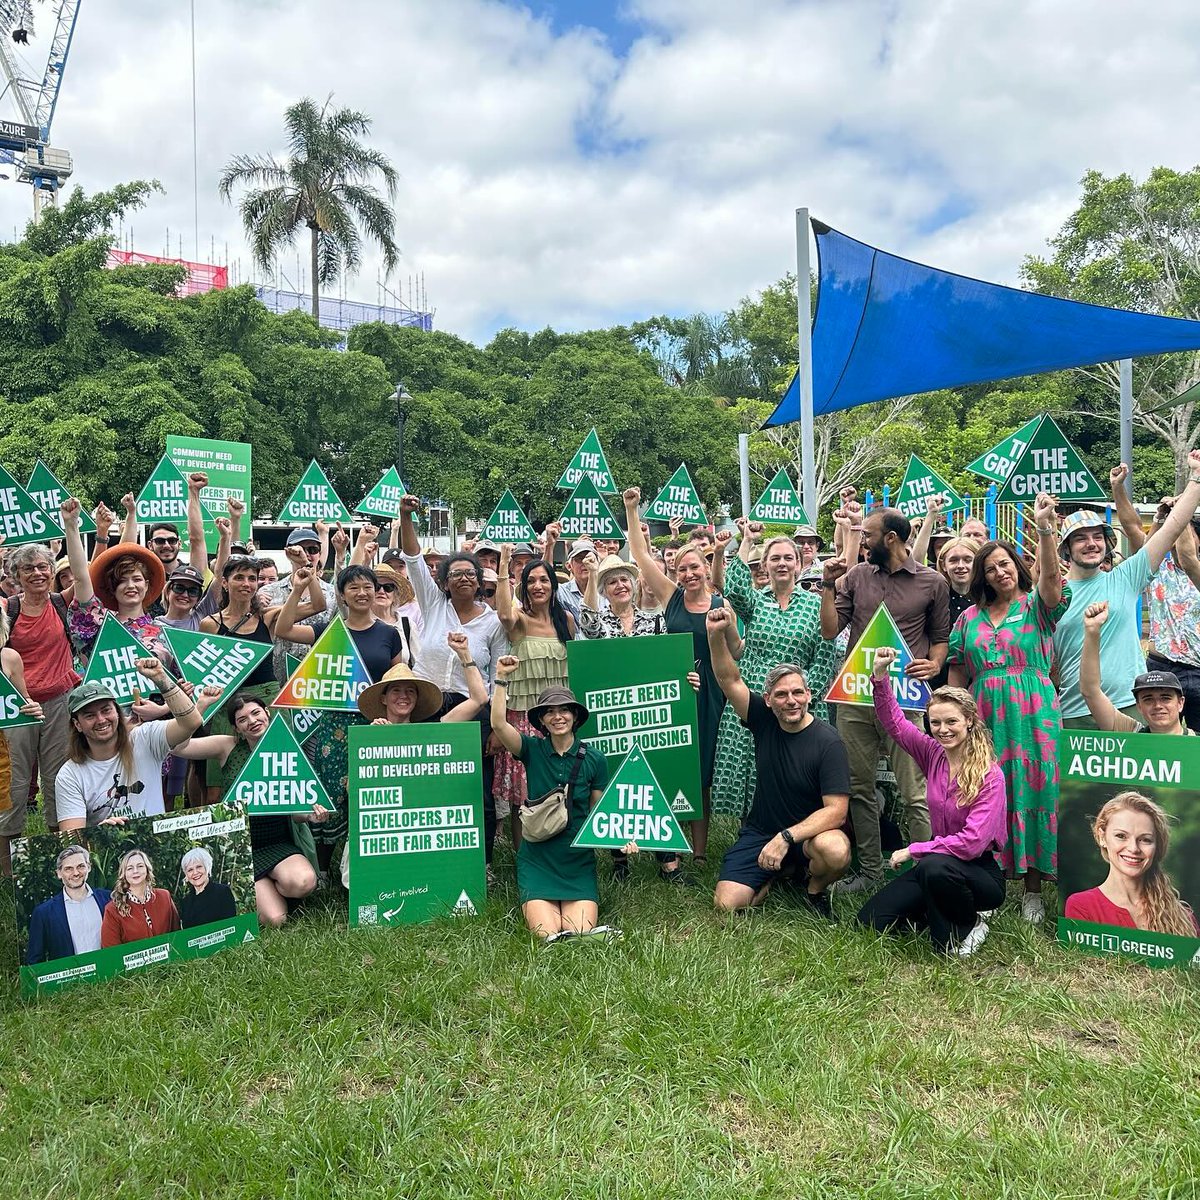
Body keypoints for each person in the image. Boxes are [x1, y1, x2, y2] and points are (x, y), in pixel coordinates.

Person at [947, 494, 1066, 923]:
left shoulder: (1037, 608)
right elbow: (958, 672)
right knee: (987, 794)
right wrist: (952, 718)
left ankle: (1032, 890)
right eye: (991, 567)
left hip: (1034, 715)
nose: (1000, 571)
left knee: (1033, 791)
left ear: (1017, 565)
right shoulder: (969, 619)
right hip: (984, 715)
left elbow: (1052, 583)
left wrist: (1044, 528)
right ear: (982, 575)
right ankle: (990, 884)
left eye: (1005, 563)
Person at [820, 507, 948, 893]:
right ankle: (871, 873)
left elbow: (940, 636)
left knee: (915, 792)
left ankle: (924, 871)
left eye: (869, 535)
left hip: (905, 700)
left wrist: (935, 663)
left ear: (891, 538)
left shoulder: (932, 582)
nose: (863, 541)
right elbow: (830, 630)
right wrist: (829, 585)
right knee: (859, 789)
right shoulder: (857, 576)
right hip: (856, 696)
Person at [856, 646, 1007, 956]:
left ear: (968, 721)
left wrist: (915, 849)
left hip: (978, 874)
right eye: (935, 722)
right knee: (871, 921)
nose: (942, 730)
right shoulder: (933, 754)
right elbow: (895, 725)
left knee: (934, 873)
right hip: (936, 864)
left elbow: (972, 843)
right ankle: (933, 908)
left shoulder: (991, 776)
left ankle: (971, 923)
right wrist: (881, 676)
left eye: (950, 721)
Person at [705, 607, 851, 916]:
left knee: (836, 851)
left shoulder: (829, 742)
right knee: (726, 904)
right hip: (761, 831)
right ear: (769, 699)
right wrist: (715, 633)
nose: (791, 700)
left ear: (809, 695)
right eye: (782, 694)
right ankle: (777, 874)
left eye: (798, 692)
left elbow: (837, 812)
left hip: (809, 836)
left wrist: (786, 838)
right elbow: (728, 678)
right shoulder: (764, 719)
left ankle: (813, 891)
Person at [624, 488, 735, 867]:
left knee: (700, 773)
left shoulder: (722, 604)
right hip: (675, 693)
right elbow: (640, 555)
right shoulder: (671, 597)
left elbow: (737, 652)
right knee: (672, 767)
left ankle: (700, 852)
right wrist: (631, 508)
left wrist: (724, 630)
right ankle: (670, 845)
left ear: (706, 568)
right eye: (681, 569)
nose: (687, 574)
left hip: (711, 695)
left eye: (694, 568)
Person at [274, 564, 410, 865]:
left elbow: (398, 681)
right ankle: (322, 869)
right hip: (334, 728)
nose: (362, 593)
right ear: (342, 595)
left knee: (370, 797)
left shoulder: (389, 634)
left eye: (368, 587)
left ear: (376, 591)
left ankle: (367, 865)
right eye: (353, 587)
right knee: (331, 796)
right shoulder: (329, 630)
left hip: (375, 724)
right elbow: (282, 630)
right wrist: (297, 589)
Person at [1053, 453, 1200, 729]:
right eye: (1081, 538)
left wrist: (1196, 478)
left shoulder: (1124, 578)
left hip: (1130, 707)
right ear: (1065, 550)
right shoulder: (1054, 595)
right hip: (1073, 711)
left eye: (1098, 537)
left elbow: (1173, 527)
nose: (1091, 543)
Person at [490, 657, 626, 944]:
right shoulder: (531, 750)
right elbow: (498, 724)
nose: (558, 716)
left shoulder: (595, 759)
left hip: (577, 861)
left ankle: (586, 935)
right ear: (541, 720)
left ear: (575, 716)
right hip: (537, 858)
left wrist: (623, 840)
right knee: (547, 935)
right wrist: (501, 678)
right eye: (549, 712)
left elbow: (600, 813)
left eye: (564, 710)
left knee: (577, 932)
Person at [713, 522, 839, 823]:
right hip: (754, 697)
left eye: (788, 558)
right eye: (775, 558)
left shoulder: (813, 604)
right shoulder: (757, 602)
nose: (782, 563)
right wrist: (747, 539)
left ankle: (798, 833)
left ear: (799, 564)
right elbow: (734, 587)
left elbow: (824, 655)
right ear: (765, 566)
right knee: (752, 765)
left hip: (799, 701)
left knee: (796, 772)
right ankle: (745, 833)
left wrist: (797, 698)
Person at [173, 692, 329, 925]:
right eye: (242, 719)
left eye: (256, 713)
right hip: (242, 847)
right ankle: (260, 887)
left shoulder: (284, 746)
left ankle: (277, 883)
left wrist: (312, 816)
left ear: (267, 713)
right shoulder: (227, 747)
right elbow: (177, 746)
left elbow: (295, 812)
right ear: (236, 728)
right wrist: (201, 705)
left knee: (303, 882)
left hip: (277, 843)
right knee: (275, 920)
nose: (252, 721)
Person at [54, 664, 219, 831]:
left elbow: (191, 722)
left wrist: (161, 679)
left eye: (106, 710)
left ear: (117, 712)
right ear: (77, 725)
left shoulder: (145, 737)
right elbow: (72, 839)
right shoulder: (69, 775)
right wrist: (100, 834)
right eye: (89, 716)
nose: (101, 719)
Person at [2, 536, 81, 862]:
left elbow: (82, 572)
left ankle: (62, 857)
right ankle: (8, 872)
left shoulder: (62, 603)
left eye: (42, 567)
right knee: (15, 780)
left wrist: (86, 531)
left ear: (52, 571)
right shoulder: (9, 608)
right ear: (15, 576)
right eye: (28, 568)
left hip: (59, 703)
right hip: (17, 707)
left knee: (58, 778)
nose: (36, 573)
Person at [493, 543, 576, 840]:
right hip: (525, 717)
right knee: (524, 793)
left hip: (560, 715)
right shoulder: (519, 620)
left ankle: (559, 845)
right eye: (530, 581)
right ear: (523, 587)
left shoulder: (565, 620)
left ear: (553, 586)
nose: (537, 586)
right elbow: (503, 613)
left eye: (543, 580)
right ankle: (523, 854)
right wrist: (503, 567)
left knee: (559, 783)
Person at [1110, 469, 1200, 732]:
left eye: (1183, 531)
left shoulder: (1195, 568)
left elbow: (1187, 556)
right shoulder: (1159, 568)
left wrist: (1178, 513)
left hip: (1198, 668)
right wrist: (1118, 488)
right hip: (1163, 666)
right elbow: (1132, 528)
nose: (1173, 539)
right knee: (1158, 738)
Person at [1064, 792, 1198, 935]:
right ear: (1102, 837)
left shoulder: (1183, 917)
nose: (1133, 848)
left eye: (1145, 839)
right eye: (1121, 836)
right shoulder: (1082, 906)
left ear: (1157, 845)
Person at [1081, 603, 1192, 734]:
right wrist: (1092, 631)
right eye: (1148, 699)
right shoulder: (1132, 732)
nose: (1158, 706)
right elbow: (1090, 691)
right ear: (1139, 706)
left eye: (1165, 697)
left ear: (1180, 703)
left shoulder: (1195, 742)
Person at [258, 528, 338, 683]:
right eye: (299, 549)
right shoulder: (268, 592)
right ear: (288, 553)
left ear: (319, 554)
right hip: (277, 681)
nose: (306, 554)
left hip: (317, 680)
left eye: (312, 550)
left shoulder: (331, 594)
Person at [25, 844, 112, 963]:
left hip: (110, 973)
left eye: (81, 866)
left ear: (89, 867)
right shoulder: (43, 913)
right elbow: (34, 961)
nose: (76, 873)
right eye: (68, 869)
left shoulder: (109, 899)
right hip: (70, 980)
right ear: (59, 873)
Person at [99, 849, 181, 947]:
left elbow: (177, 935)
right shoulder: (112, 909)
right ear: (124, 874)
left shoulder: (164, 897)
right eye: (130, 868)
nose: (135, 871)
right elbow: (111, 951)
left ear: (147, 869)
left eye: (140, 866)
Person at [178, 846, 237, 928]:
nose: (195, 872)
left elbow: (231, 926)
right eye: (190, 870)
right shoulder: (186, 902)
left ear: (207, 867)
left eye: (199, 867)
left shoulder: (223, 892)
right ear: (186, 875)